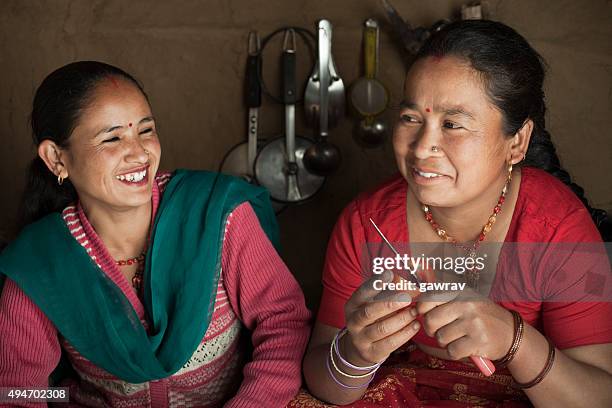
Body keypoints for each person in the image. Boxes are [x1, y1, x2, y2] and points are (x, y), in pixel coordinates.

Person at [296, 20, 612, 407]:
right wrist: (354, 356)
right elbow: (321, 382)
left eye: (453, 124)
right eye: (411, 118)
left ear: (518, 142)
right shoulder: (367, 224)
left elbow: (599, 397)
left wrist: (515, 341)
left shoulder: (557, 227)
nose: (422, 147)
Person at [0, 61, 312, 407]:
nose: (139, 153)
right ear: (56, 158)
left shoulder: (216, 215)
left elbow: (283, 324)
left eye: (145, 130)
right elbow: (17, 390)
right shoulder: (39, 264)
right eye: (112, 137)